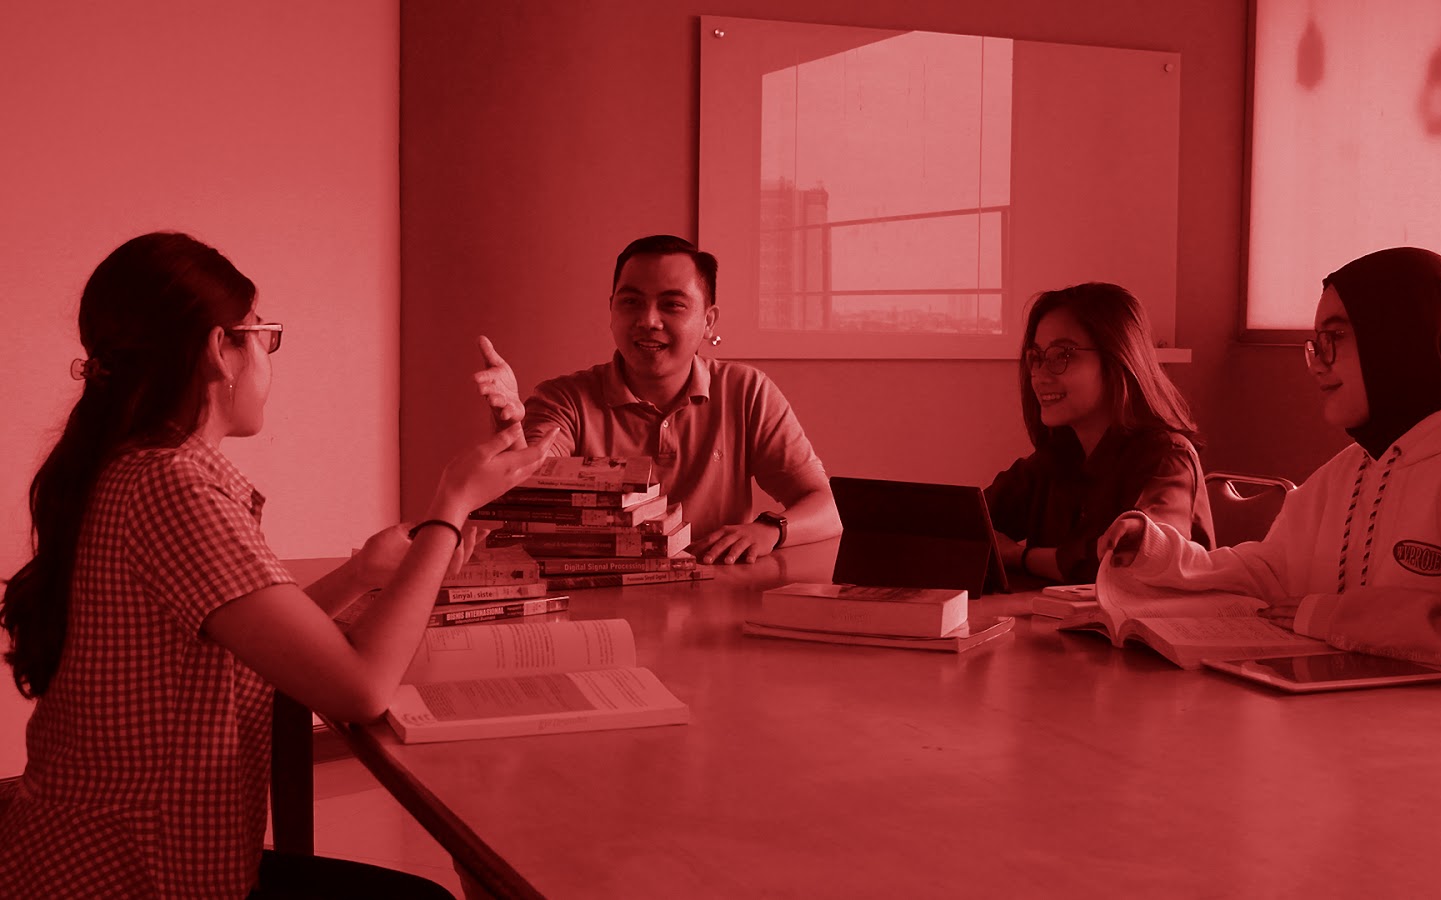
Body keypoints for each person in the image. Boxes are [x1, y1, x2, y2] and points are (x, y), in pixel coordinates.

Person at [0, 232, 550, 898]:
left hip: (105, 859)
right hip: (129, 877)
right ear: (219, 349)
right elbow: (359, 690)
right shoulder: (173, 487)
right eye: (264, 334)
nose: (268, 357)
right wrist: (451, 505)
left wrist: (364, 574)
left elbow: (241, 641)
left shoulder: (136, 466)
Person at [1099, 247, 1441, 690]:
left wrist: (1341, 619)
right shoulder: (1347, 472)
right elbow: (1271, 574)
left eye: (1334, 337)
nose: (1317, 363)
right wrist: (1158, 552)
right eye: (1315, 343)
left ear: (1400, 339)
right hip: (1356, 729)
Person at [475, 234, 841, 565]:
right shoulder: (564, 398)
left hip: (716, 593)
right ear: (612, 310)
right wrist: (510, 427)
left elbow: (828, 507)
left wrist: (770, 529)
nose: (648, 320)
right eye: (631, 302)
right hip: (601, 595)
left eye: (672, 305)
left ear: (708, 321)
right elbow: (528, 486)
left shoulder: (747, 391)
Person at [984, 282, 1213, 585]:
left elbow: (1132, 557)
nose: (1039, 375)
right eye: (1037, 356)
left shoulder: (1168, 457)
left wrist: (1019, 556)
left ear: (1118, 359)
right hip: (1047, 616)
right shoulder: (1056, 458)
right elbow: (967, 521)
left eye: (1062, 355)